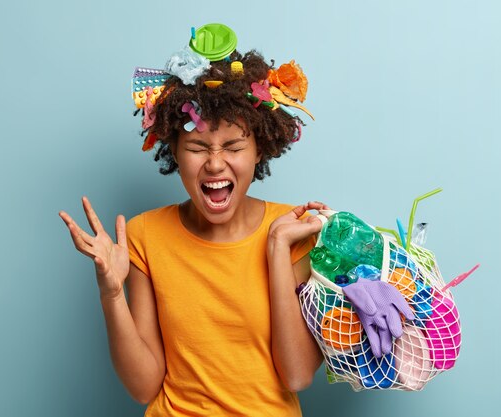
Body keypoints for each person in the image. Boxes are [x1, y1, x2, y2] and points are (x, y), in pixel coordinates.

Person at [59, 24, 325, 416]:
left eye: (234, 146)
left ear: (260, 149)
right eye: (198, 147)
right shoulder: (143, 235)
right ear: (175, 152)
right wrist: (112, 294)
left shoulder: (292, 230)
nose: (215, 163)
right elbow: (144, 385)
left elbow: (297, 375)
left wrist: (276, 248)